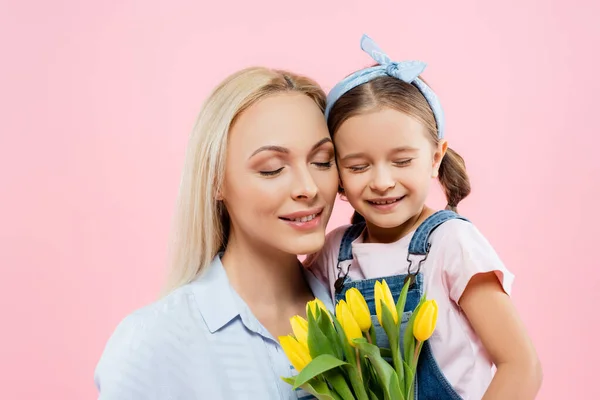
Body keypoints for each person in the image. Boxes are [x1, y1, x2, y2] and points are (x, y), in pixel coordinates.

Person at [305, 35, 542, 399]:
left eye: (402, 161)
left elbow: (521, 366)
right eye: (358, 166)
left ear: (435, 157)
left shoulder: (450, 244)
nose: (382, 182)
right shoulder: (334, 253)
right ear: (336, 171)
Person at [95, 67, 339, 399]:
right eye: (272, 168)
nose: (308, 188)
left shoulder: (363, 313)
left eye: (323, 162)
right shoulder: (154, 343)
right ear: (216, 181)